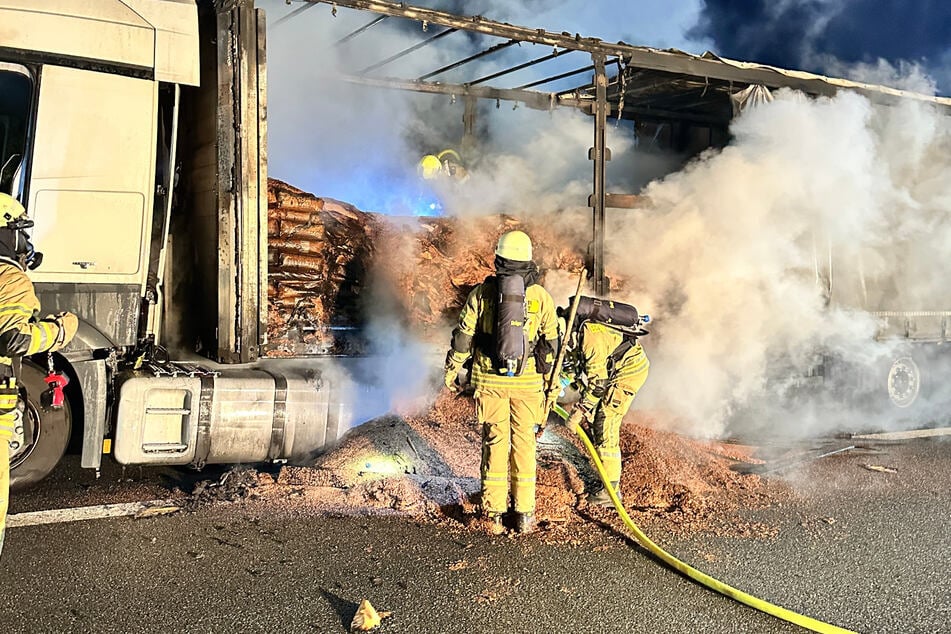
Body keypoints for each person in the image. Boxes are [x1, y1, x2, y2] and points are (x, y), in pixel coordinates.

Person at [443, 230, 558, 534]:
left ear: (498, 260)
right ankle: (523, 514)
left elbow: (463, 338)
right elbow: (551, 347)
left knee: (495, 440)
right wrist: (550, 384)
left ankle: (493, 513)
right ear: (529, 262)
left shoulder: (481, 294)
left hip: (489, 380)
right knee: (523, 444)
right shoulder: (541, 298)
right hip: (528, 383)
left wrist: (452, 370)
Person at [0, 193, 77, 556]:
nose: (25, 242)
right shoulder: (9, 277)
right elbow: (14, 337)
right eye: (19, 231)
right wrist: (59, 331)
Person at [562, 299, 649, 506]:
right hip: (615, 370)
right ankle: (603, 475)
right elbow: (571, 369)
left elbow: (598, 385)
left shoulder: (590, 338)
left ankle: (609, 491)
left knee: (606, 420)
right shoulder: (576, 330)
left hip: (629, 372)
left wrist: (579, 412)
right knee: (598, 418)